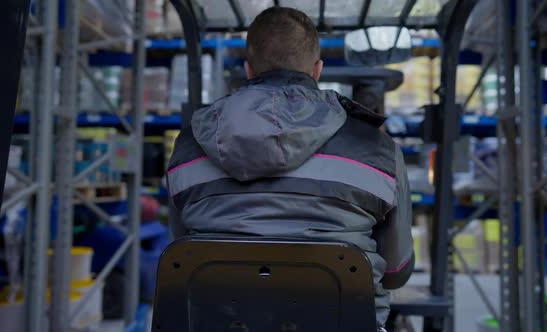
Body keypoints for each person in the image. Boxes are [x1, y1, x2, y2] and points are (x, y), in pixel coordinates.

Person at [166, 7, 414, 331]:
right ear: (318, 70)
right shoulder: (379, 150)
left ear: (249, 70)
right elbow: (396, 271)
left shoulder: (187, 147)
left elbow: (183, 255)